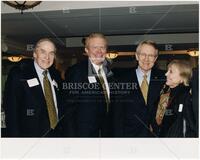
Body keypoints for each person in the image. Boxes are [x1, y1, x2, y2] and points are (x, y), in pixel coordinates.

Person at [3, 38, 64, 137]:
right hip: (30, 136)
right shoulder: (19, 74)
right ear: (35, 54)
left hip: (56, 134)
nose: (47, 57)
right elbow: (11, 110)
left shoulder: (56, 74)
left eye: (51, 53)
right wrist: (15, 140)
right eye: (43, 52)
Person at [63, 33, 116, 137]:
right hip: (83, 134)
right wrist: (72, 138)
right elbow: (68, 108)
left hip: (105, 132)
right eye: (95, 47)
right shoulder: (77, 71)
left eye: (102, 47)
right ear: (86, 50)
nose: (99, 51)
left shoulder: (109, 73)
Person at [120, 40, 165, 137]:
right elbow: (116, 114)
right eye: (143, 54)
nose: (146, 59)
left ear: (156, 58)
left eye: (151, 56)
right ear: (136, 56)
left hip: (157, 138)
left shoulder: (164, 79)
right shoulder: (121, 80)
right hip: (129, 137)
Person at [153, 60, 196, 137]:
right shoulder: (164, 92)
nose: (166, 74)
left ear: (182, 77)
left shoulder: (187, 97)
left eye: (171, 72)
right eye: (167, 71)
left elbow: (191, 127)